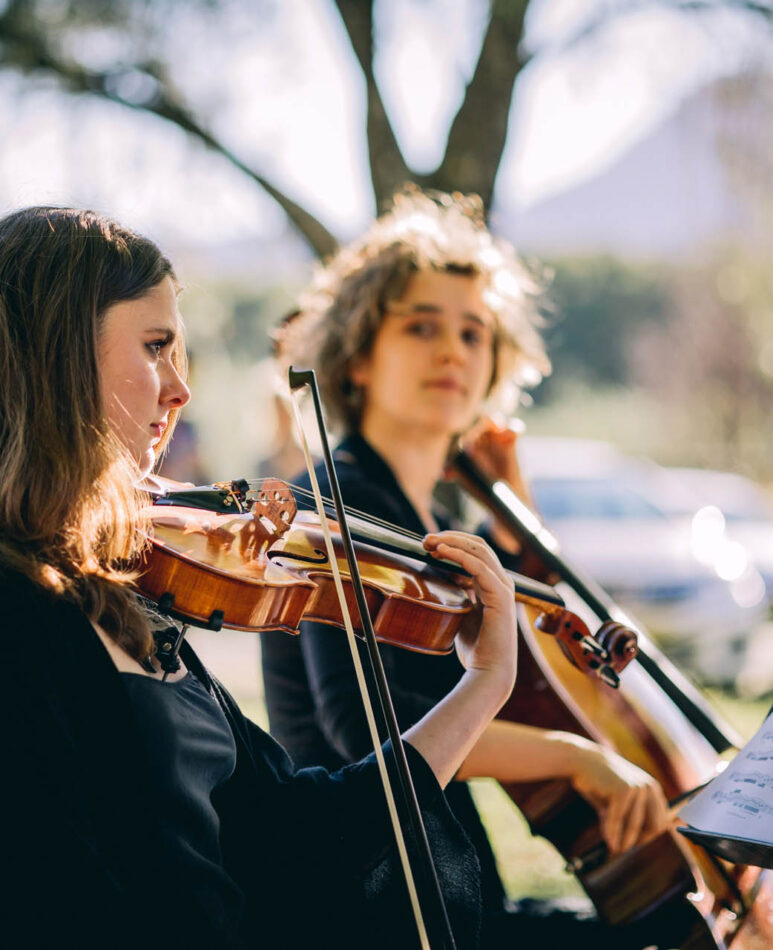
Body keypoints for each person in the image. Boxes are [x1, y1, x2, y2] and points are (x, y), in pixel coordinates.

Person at [0, 206, 526, 950]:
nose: (180, 390)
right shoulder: (21, 611)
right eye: (155, 347)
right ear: (57, 356)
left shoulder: (120, 603)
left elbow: (300, 835)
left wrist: (485, 684)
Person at [260, 188, 672, 948]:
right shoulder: (341, 500)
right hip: (371, 902)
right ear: (358, 357)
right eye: (421, 326)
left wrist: (514, 533)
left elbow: (539, 679)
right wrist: (576, 759)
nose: (452, 350)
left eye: (473, 333)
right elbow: (362, 729)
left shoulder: (430, 524)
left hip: (447, 890)